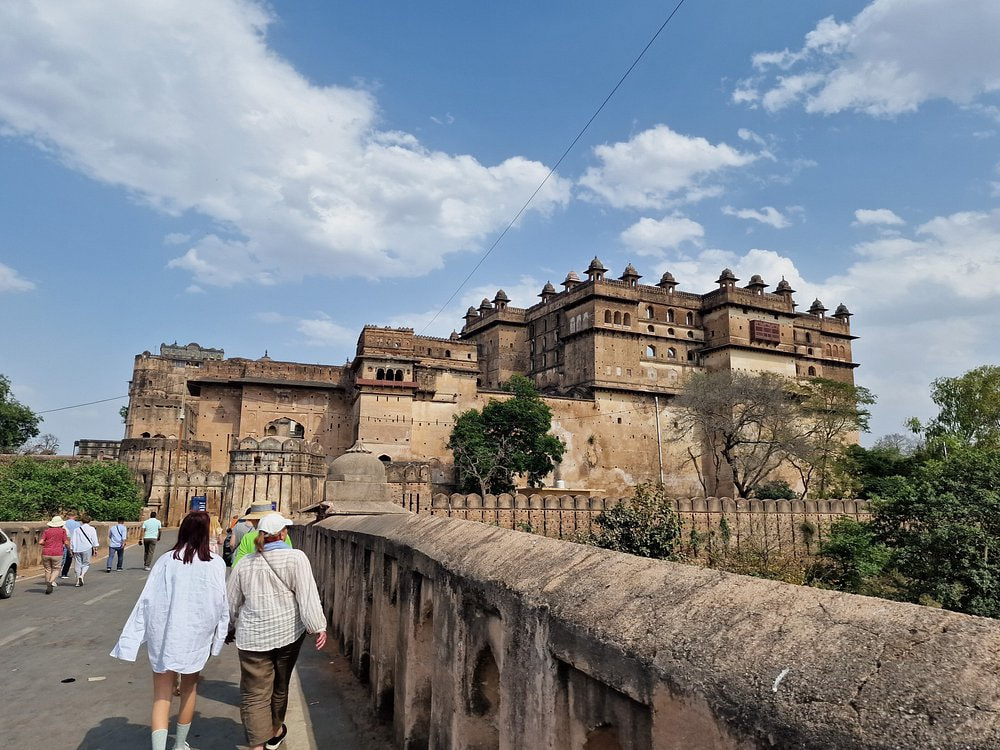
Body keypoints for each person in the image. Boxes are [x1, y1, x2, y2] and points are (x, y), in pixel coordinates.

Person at [111, 511, 229, 750]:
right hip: (196, 636)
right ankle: (179, 745)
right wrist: (217, 639)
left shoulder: (166, 560)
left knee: (162, 697)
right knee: (189, 690)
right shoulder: (216, 563)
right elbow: (221, 604)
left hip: (165, 635)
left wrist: (132, 638)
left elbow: (147, 600)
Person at [227, 513, 326, 750]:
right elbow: (307, 596)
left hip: (252, 638)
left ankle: (257, 745)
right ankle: (274, 731)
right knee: (280, 685)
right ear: (282, 534)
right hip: (287, 634)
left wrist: (228, 628)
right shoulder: (296, 558)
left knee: (254, 694)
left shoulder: (244, 563)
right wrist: (317, 626)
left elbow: (230, 603)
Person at [40, 515, 69, 594]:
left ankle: (48, 584)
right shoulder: (62, 531)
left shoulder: (46, 531)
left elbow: (41, 542)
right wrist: (69, 550)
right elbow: (66, 542)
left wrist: (47, 545)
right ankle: (51, 581)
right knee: (56, 568)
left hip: (46, 552)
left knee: (47, 569)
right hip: (57, 552)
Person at [70, 514, 99, 587]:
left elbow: (73, 540)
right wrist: (95, 548)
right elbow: (94, 539)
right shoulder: (92, 529)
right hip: (87, 548)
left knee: (78, 564)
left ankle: (77, 581)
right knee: (86, 563)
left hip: (77, 549)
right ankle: (82, 575)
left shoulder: (76, 529)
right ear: (89, 521)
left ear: (82, 521)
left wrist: (72, 548)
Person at [60, 510, 80, 579]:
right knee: (73, 558)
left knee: (64, 558)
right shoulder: (77, 524)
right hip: (74, 542)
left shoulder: (64, 523)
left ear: (68, 516)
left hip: (65, 541)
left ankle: (61, 572)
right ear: (75, 516)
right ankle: (68, 573)